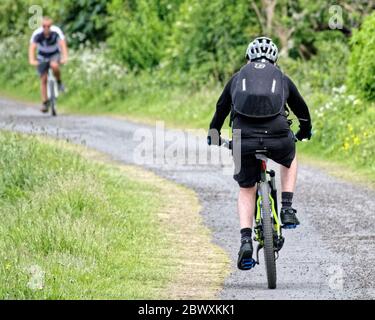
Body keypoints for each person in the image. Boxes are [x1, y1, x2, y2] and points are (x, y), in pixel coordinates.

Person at [207, 37, 312, 270]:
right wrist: (304, 131)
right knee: (290, 158)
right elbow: (301, 110)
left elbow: (221, 109)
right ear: (274, 59)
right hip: (278, 135)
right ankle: (286, 208)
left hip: (241, 139)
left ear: (248, 58)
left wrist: (213, 134)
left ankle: (245, 240)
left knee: (246, 189)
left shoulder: (236, 79)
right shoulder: (282, 79)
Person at [28, 17, 68, 113]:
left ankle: (59, 82)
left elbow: (62, 44)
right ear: (42, 26)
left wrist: (65, 57)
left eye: (48, 26)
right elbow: (32, 48)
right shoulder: (37, 34)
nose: (46, 28)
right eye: (44, 26)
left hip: (54, 54)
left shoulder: (56, 31)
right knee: (43, 78)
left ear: (51, 26)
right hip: (42, 56)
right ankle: (45, 102)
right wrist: (32, 60)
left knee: (54, 65)